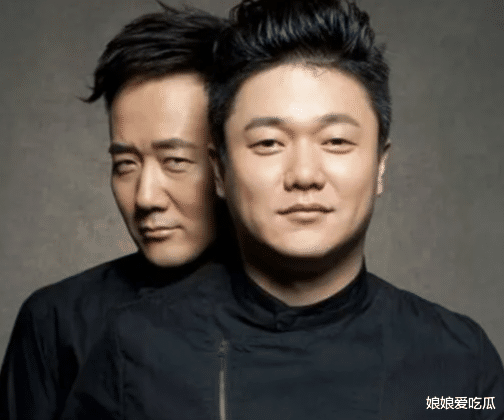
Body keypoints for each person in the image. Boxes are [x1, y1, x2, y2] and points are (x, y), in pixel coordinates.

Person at [61, 0, 504, 419]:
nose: (304, 174)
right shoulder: (136, 347)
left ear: (380, 165)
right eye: (269, 143)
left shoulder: (458, 362)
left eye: (336, 141)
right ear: (220, 170)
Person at [0, 5, 228, 420]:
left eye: (175, 161)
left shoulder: (301, 304)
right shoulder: (56, 321)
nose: (145, 197)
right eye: (125, 164)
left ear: (229, 161)